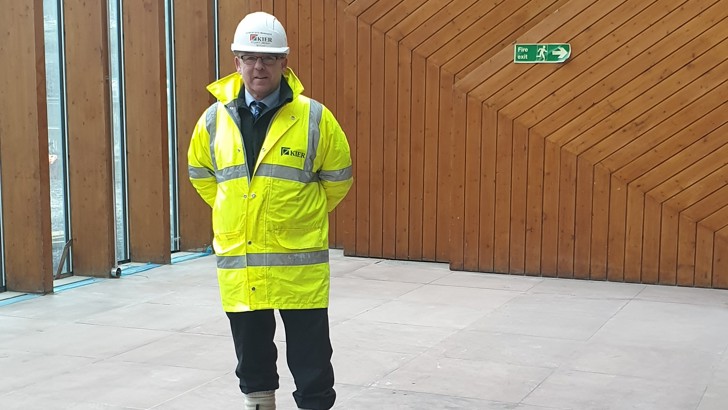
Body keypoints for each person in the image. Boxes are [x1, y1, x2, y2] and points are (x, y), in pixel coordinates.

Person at [187, 11, 353, 410]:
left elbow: (338, 179)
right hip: (241, 263)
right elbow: (203, 176)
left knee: (312, 360)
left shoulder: (314, 118)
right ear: (236, 62)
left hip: (299, 268)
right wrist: (239, 212)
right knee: (252, 357)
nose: (258, 67)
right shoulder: (213, 120)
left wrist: (297, 214)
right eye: (249, 58)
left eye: (268, 58)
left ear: (284, 62)